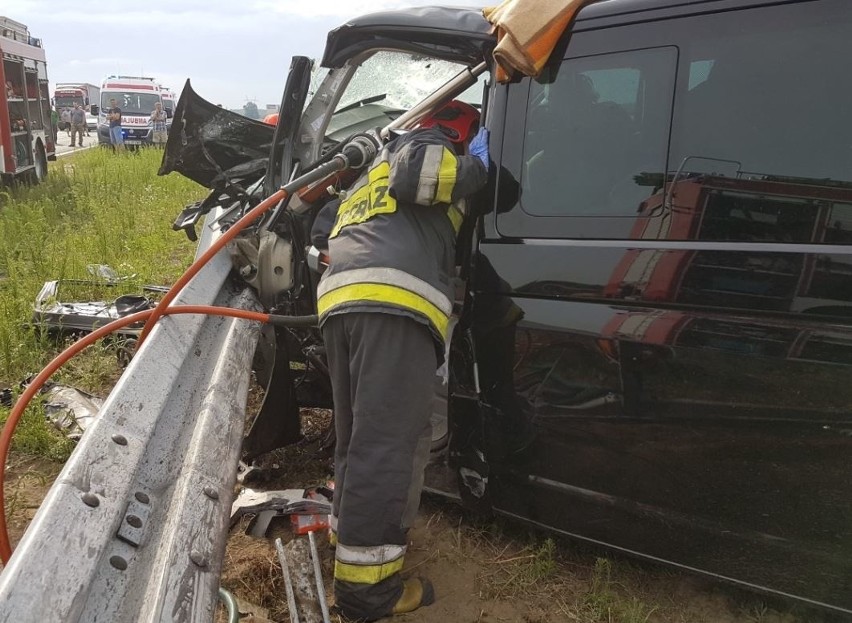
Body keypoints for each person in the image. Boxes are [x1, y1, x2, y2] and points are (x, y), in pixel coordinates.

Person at [311, 100, 489, 621]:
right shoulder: (424, 143)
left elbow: (324, 230)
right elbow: (422, 175)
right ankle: (369, 596)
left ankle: (350, 548)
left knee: (359, 441)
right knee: (388, 450)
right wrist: (480, 165)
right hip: (394, 305)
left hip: (342, 306)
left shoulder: (369, 170)